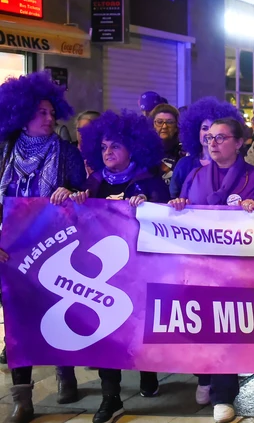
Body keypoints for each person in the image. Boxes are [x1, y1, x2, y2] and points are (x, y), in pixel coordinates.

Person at [169, 117, 254, 423]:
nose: (213, 143)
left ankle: (223, 394)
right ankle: (206, 377)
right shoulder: (195, 175)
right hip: (201, 266)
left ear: (239, 142)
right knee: (203, 325)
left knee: (227, 327)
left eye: (221, 138)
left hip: (240, 266)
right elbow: (180, 209)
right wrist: (177, 205)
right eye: (210, 138)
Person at [71, 110, 169, 423]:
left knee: (141, 326)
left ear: (133, 148)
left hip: (141, 270)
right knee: (106, 332)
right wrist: (70, 197)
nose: (108, 152)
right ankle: (110, 397)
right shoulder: (94, 181)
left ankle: (148, 371)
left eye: (114, 146)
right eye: (102, 147)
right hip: (103, 272)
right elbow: (77, 214)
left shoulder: (150, 182)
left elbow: (167, 223)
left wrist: (152, 209)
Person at [0, 72, 88, 423]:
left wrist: (71, 196)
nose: (50, 118)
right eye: (41, 113)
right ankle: (23, 398)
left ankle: (65, 374)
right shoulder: (4, 150)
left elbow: (86, 198)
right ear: (22, 114)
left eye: (53, 112)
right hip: (12, 248)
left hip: (57, 243)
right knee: (18, 319)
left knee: (58, 309)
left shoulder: (66, 153)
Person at [169, 97, 241, 199]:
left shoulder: (233, 165)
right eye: (204, 128)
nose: (209, 133)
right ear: (196, 132)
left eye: (214, 128)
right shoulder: (184, 165)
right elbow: (174, 198)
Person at [149, 103, 184, 186]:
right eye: (159, 122)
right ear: (152, 125)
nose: (164, 126)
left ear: (176, 127)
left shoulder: (183, 152)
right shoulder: (144, 151)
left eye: (170, 122)